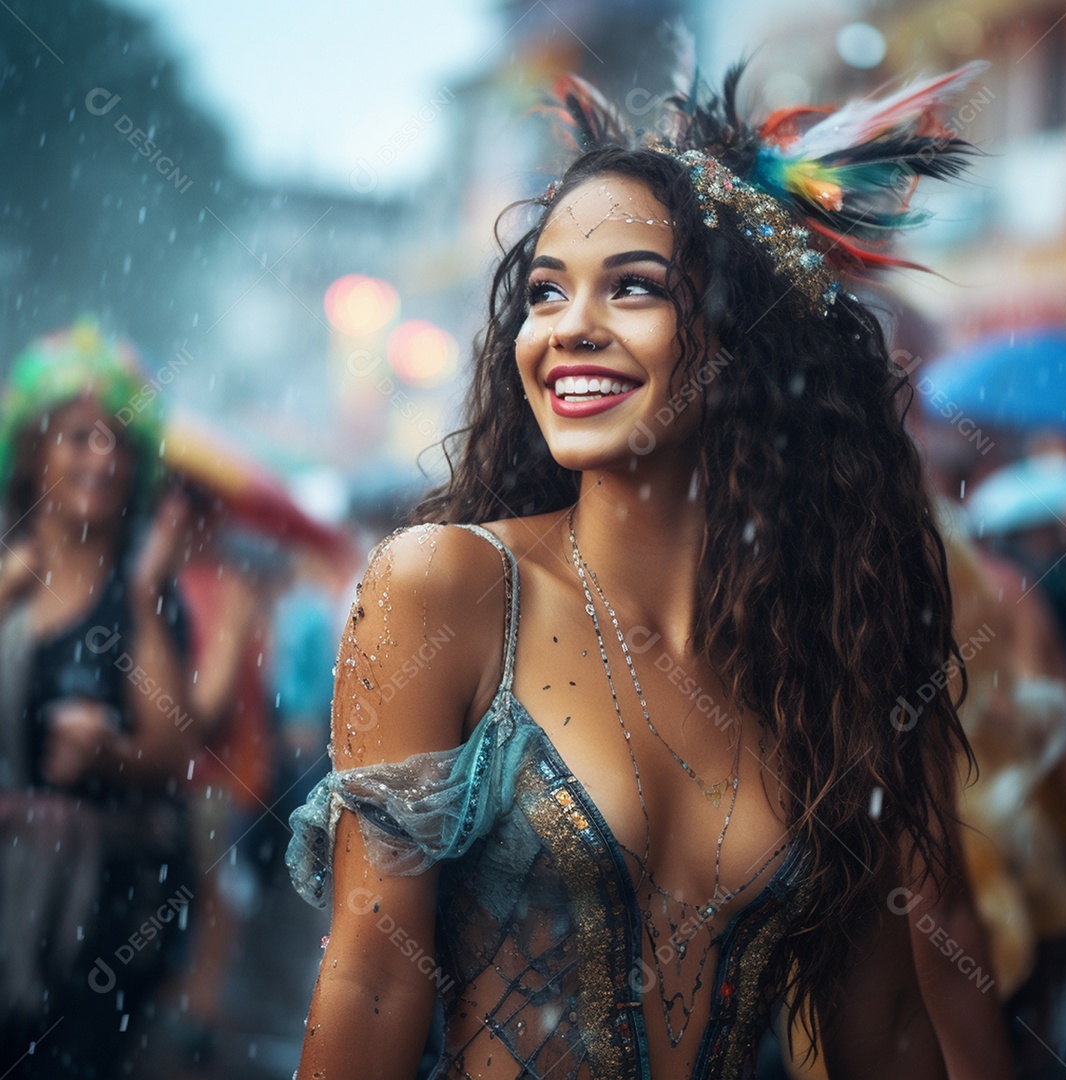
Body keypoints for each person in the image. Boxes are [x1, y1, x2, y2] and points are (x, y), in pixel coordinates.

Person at [289, 62, 1014, 1078]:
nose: (569, 328)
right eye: (546, 291)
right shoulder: (448, 589)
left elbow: (886, 1029)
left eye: (632, 286)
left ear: (743, 340)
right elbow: (372, 980)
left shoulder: (828, 650)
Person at [0, 324, 196, 1078]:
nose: (102, 458)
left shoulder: (143, 595)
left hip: (102, 920)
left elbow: (171, 754)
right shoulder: (7, 578)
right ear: (32, 450)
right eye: (79, 436)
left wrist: (110, 754)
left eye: (119, 442)